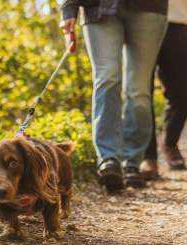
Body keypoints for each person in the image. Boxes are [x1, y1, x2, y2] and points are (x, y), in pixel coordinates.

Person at [59, 0, 167, 192]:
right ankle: (109, 159)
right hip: (97, 7)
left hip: (149, 8)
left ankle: (132, 161)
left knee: (138, 89)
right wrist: (68, 9)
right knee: (106, 78)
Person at [140, 0, 187, 179]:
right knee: (141, 90)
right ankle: (148, 156)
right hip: (140, 19)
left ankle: (170, 143)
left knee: (182, 92)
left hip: (178, 21)